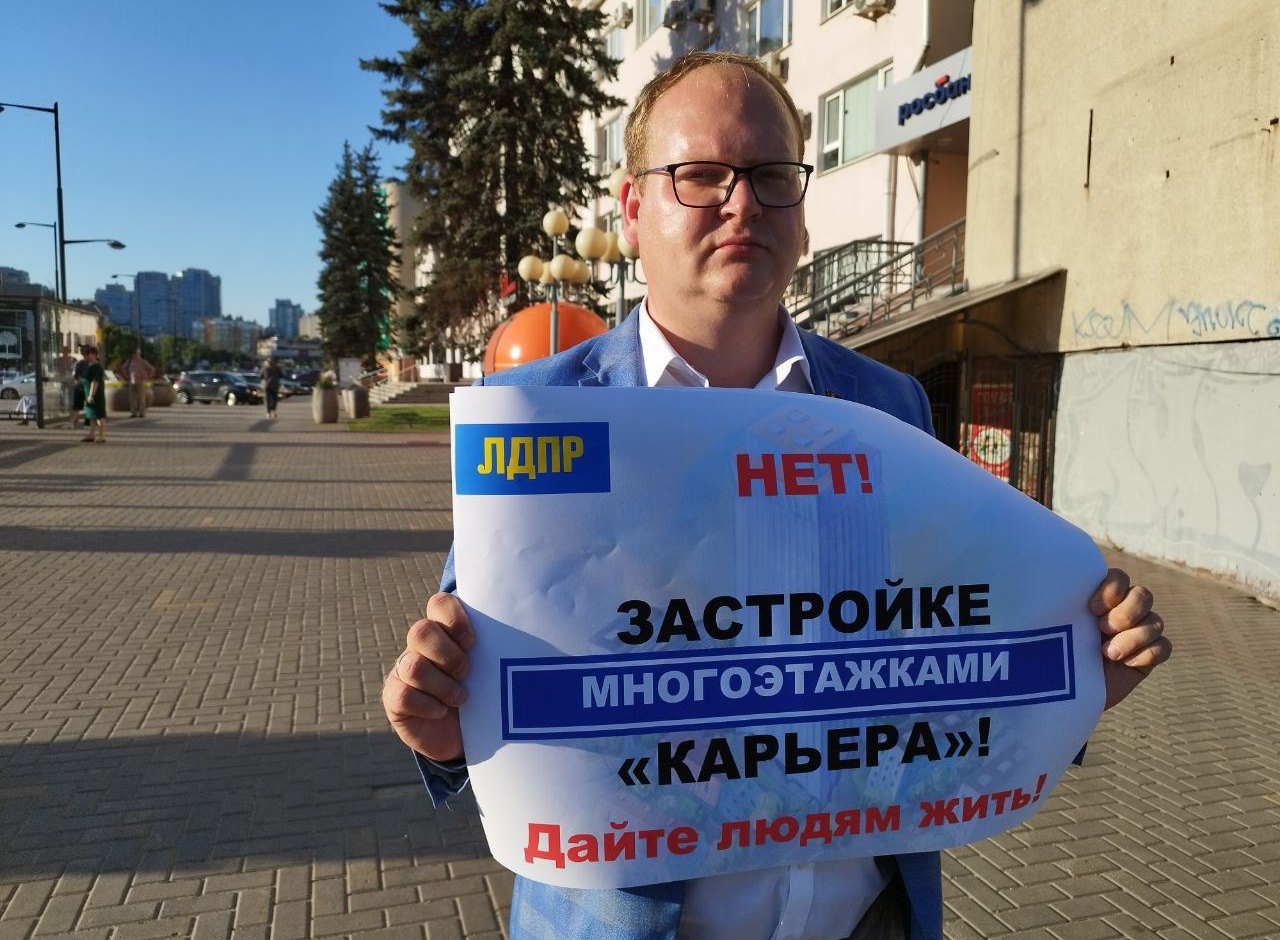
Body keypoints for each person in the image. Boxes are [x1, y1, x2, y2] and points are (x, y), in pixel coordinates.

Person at [381, 53, 1172, 940]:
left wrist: (1074, 679)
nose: (743, 203)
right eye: (701, 174)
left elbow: (932, 641)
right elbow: (485, 681)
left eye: (769, 175)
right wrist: (442, 729)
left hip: (867, 918)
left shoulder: (888, 405)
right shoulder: (529, 415)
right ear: (632, 210)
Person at [80, 345, 107, 443]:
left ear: (93, 354)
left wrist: (91, 395)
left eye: (87, 354)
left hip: (96, 395)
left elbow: (95, 382)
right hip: (90, 394)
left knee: (99, 415)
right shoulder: (91, 366)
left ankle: (102, 436)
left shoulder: (97, 367)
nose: (85, 357)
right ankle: (91, 435)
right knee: (92, 416)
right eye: (84, 355)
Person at [118, 349, 155, 418]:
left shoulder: (143, 362)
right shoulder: (129, 361)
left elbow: (152, 369)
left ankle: (142, 413)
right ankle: (133, 413)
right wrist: (126, 376)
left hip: (140, 381)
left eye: (136, 354)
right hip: (132, 381)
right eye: (133, 354)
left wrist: (147, 377)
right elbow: (123, 368)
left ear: (139, 354)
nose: (134, 355)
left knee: (141, 398)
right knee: (132, 398)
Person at [67, 344, 89, 429]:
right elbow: (76, 376)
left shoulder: (89, 363)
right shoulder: (80, 363)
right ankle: (72, 422)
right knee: (78, 406)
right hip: (80, 387)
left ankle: (87, 422)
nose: (82, 352)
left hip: (84, 386)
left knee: (86, 406)